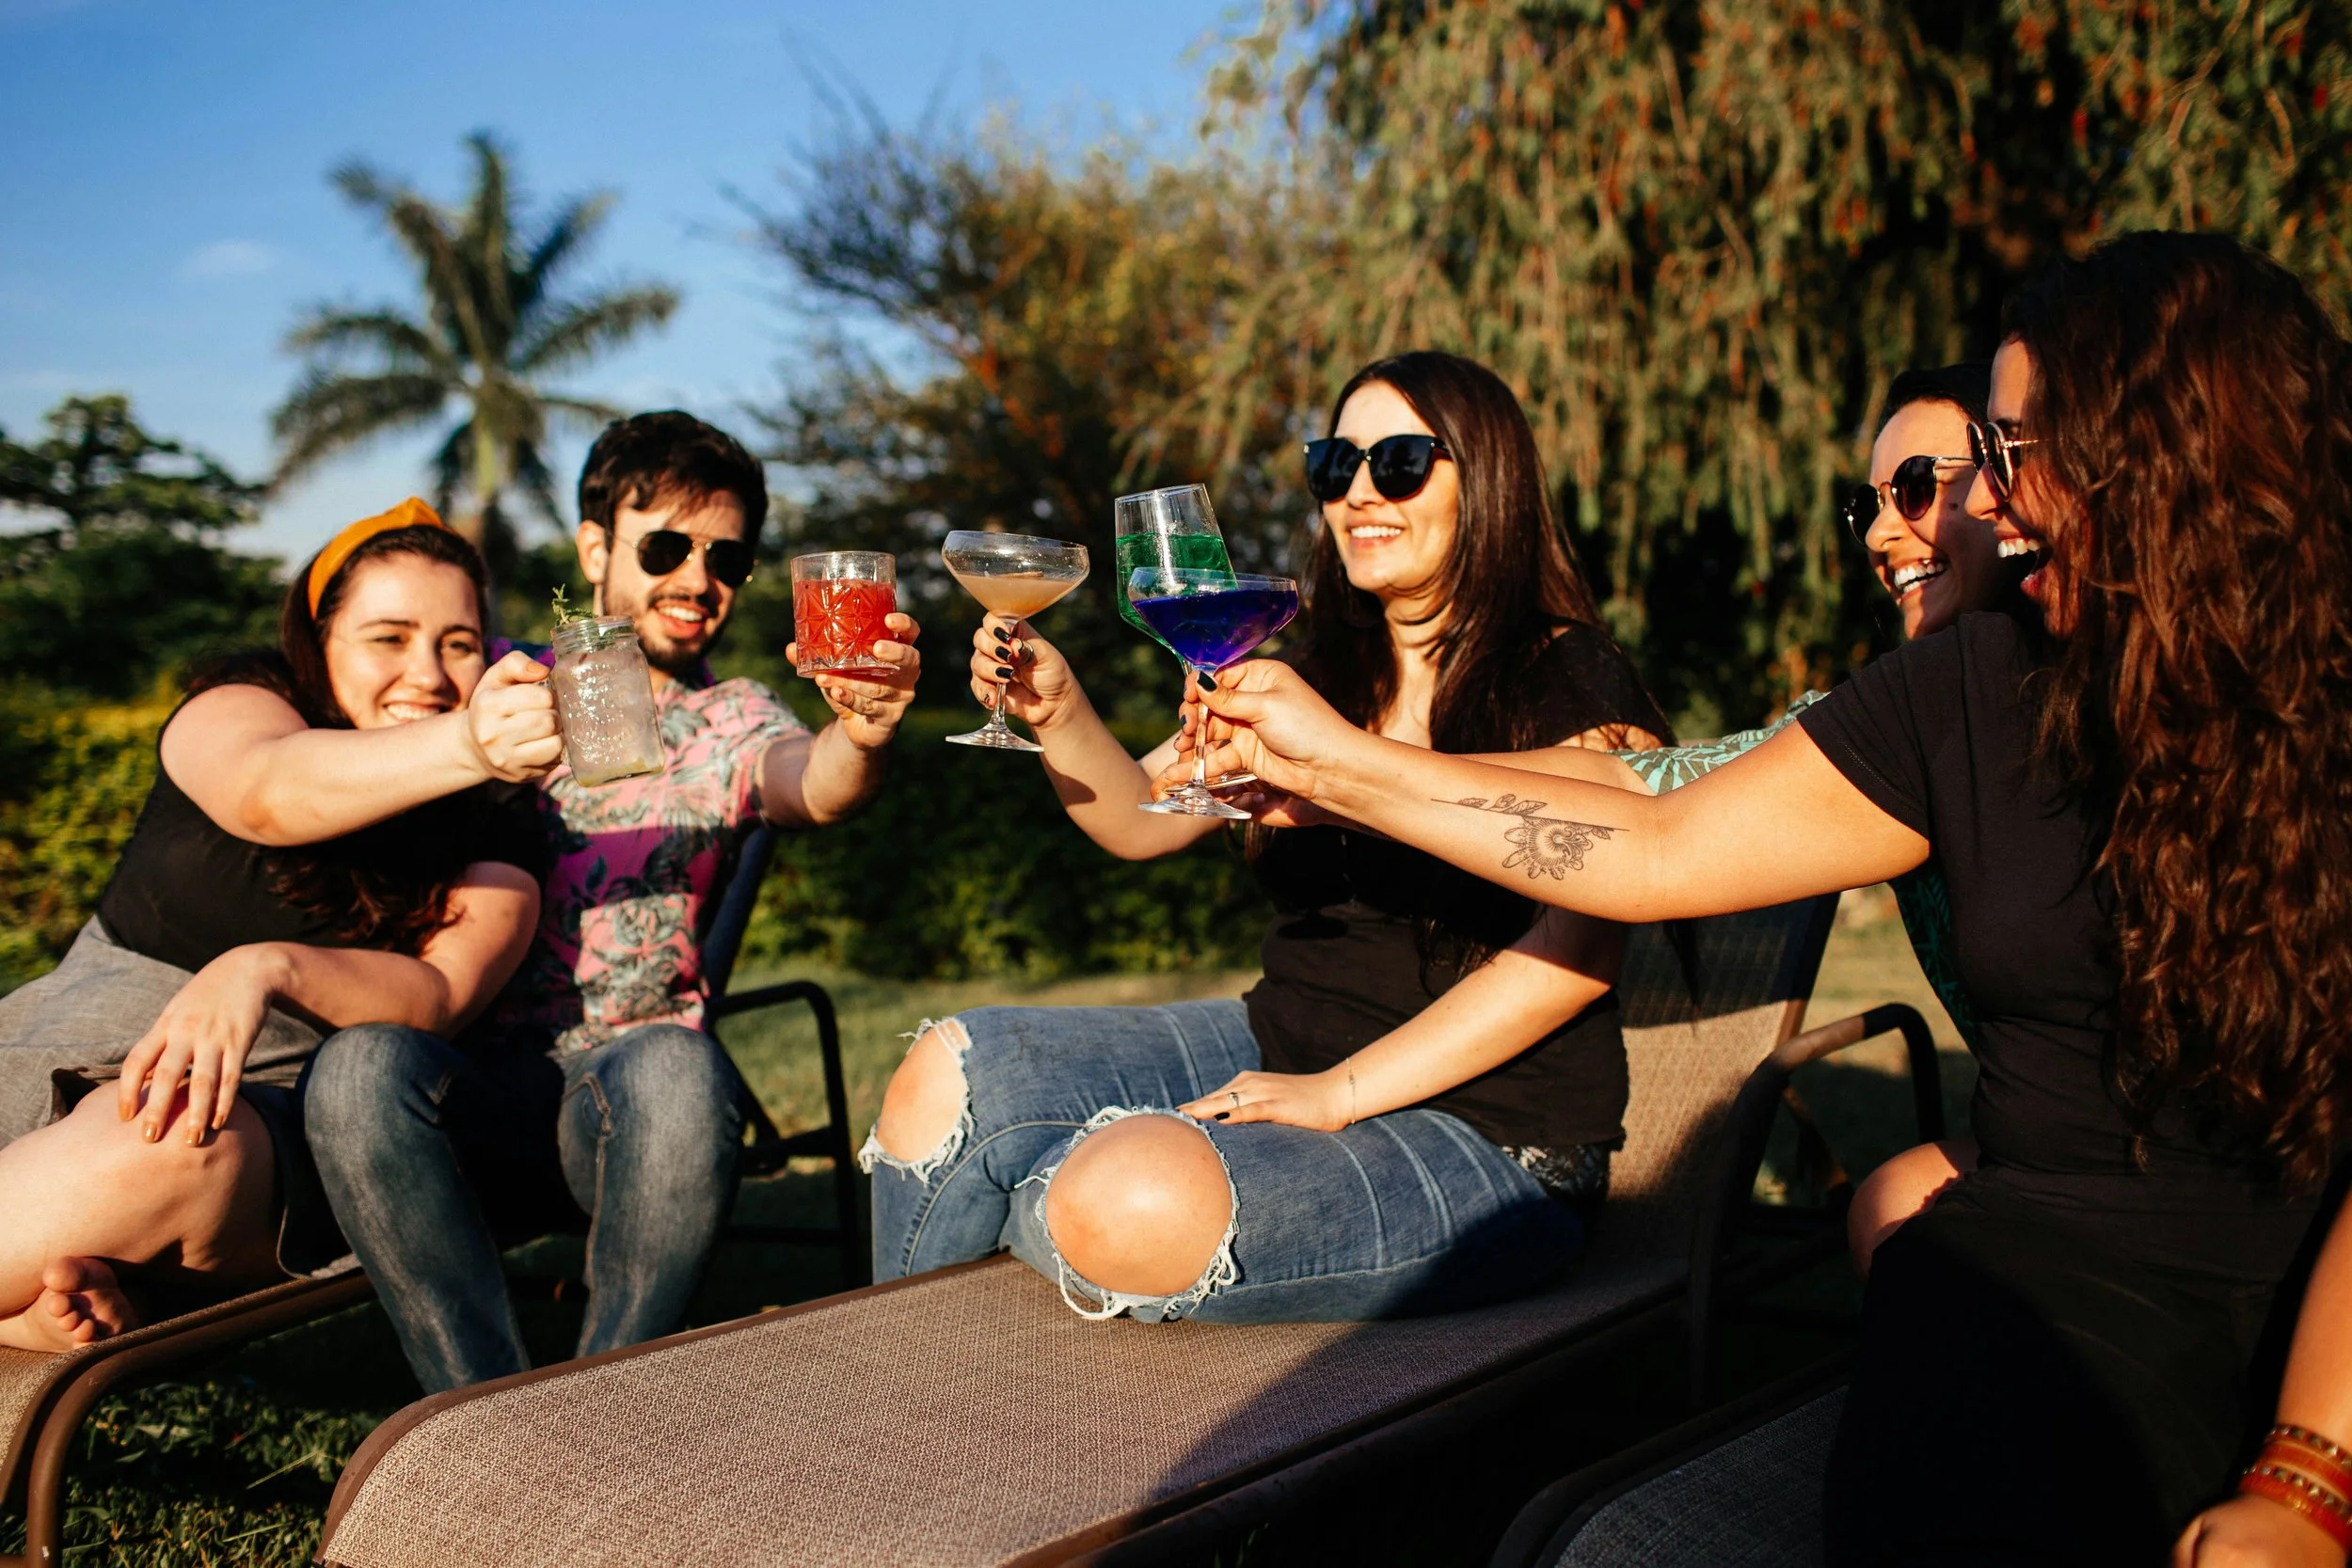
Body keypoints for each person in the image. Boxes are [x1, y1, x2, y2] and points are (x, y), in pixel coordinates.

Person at [1193, 233, 2351, 1560]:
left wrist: (2311, 1475)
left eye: (2015, 454)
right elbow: (1651, 840)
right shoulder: (1968, 689)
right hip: (2044, 1278)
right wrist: (1341, 758)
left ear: (2167, 451)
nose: (1993, 504)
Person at [862, 350, 1668, 1323]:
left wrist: (1340, 1092)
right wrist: (1058, 707)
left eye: (1401, 463)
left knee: (1118, 1194)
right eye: (1336, 465)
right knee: (946, 1076)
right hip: (1278, 1038)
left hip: (1491, 1131)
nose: (1360, 492)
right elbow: (1137, 818)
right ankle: (895, 1395)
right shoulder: (1316, 669)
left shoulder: (1569, 677)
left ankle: (1022, 1250)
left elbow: (1570, 959)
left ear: (1487, 474)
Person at [303, 412, 924, 1392]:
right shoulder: (485, 678)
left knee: (679, 1065)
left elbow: (813, 780)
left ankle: (599, 1407)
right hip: (456, 1083)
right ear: (595, 547)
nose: (697, 579)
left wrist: (867, 730)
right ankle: (475, 1412)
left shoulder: (731, 716)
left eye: (726, 557)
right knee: (354, 1065)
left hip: (624, 1100)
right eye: (667, 545)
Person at [0, 501, 554, 1350]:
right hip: (50, 1041)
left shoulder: (501, 812)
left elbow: (440, 994)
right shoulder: (241, 705)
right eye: (389, 636)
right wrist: (470, 742)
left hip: (246, 1110)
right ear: (317, 640)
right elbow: (268, 790)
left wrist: (268, 968)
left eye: (458, 642)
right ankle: (27, 1313)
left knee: (166, 1134)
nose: (430, 673)